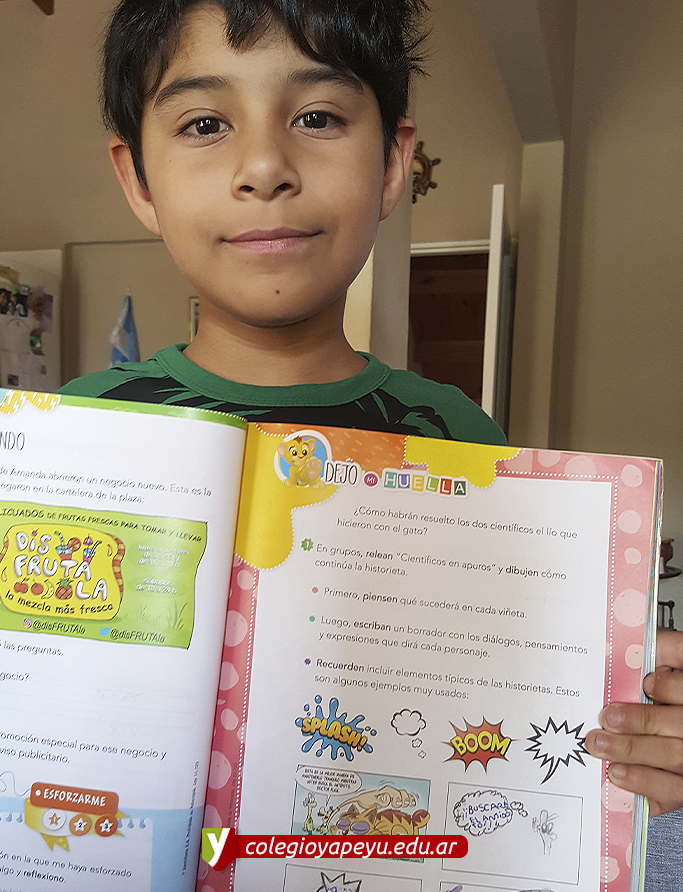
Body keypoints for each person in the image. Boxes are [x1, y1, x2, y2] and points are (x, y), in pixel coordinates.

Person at [60, 0, 683, 878]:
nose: (264, 167)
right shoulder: (81, 431)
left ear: (391, 163)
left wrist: (629, 730)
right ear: (138, 181)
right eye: (204, 124)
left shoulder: (455, 436)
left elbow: (499, 690)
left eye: (317, 117)